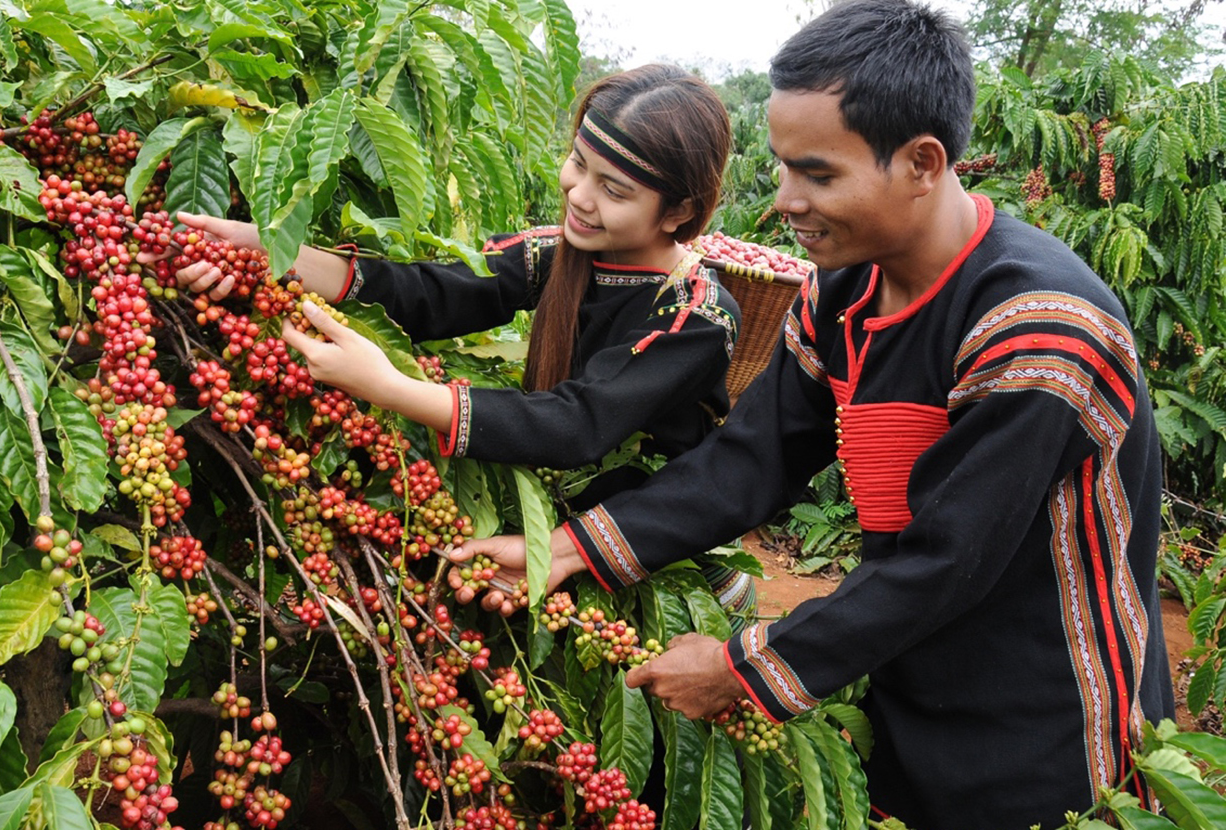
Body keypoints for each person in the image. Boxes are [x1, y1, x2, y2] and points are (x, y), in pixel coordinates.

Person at [450, 2, 1174, 827]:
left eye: (818, 174)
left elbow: (947, 561)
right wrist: (567, 552)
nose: (784, 201)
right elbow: (749, 459)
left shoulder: (1037, 323)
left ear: (923, 162)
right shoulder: (841, 291)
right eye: (784, 167)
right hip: (910, 675)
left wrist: (744, 668)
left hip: (1047, 718)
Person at [161, 64, 757, 616]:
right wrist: (276, 253)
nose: (578, 194)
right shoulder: (561, 253)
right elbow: (432, 290)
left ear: (678, 212)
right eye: (579, 164)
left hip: (656, 556)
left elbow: (576, 424)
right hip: (549, 530)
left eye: (615, 190)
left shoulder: (697, 317)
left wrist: (391, 388)